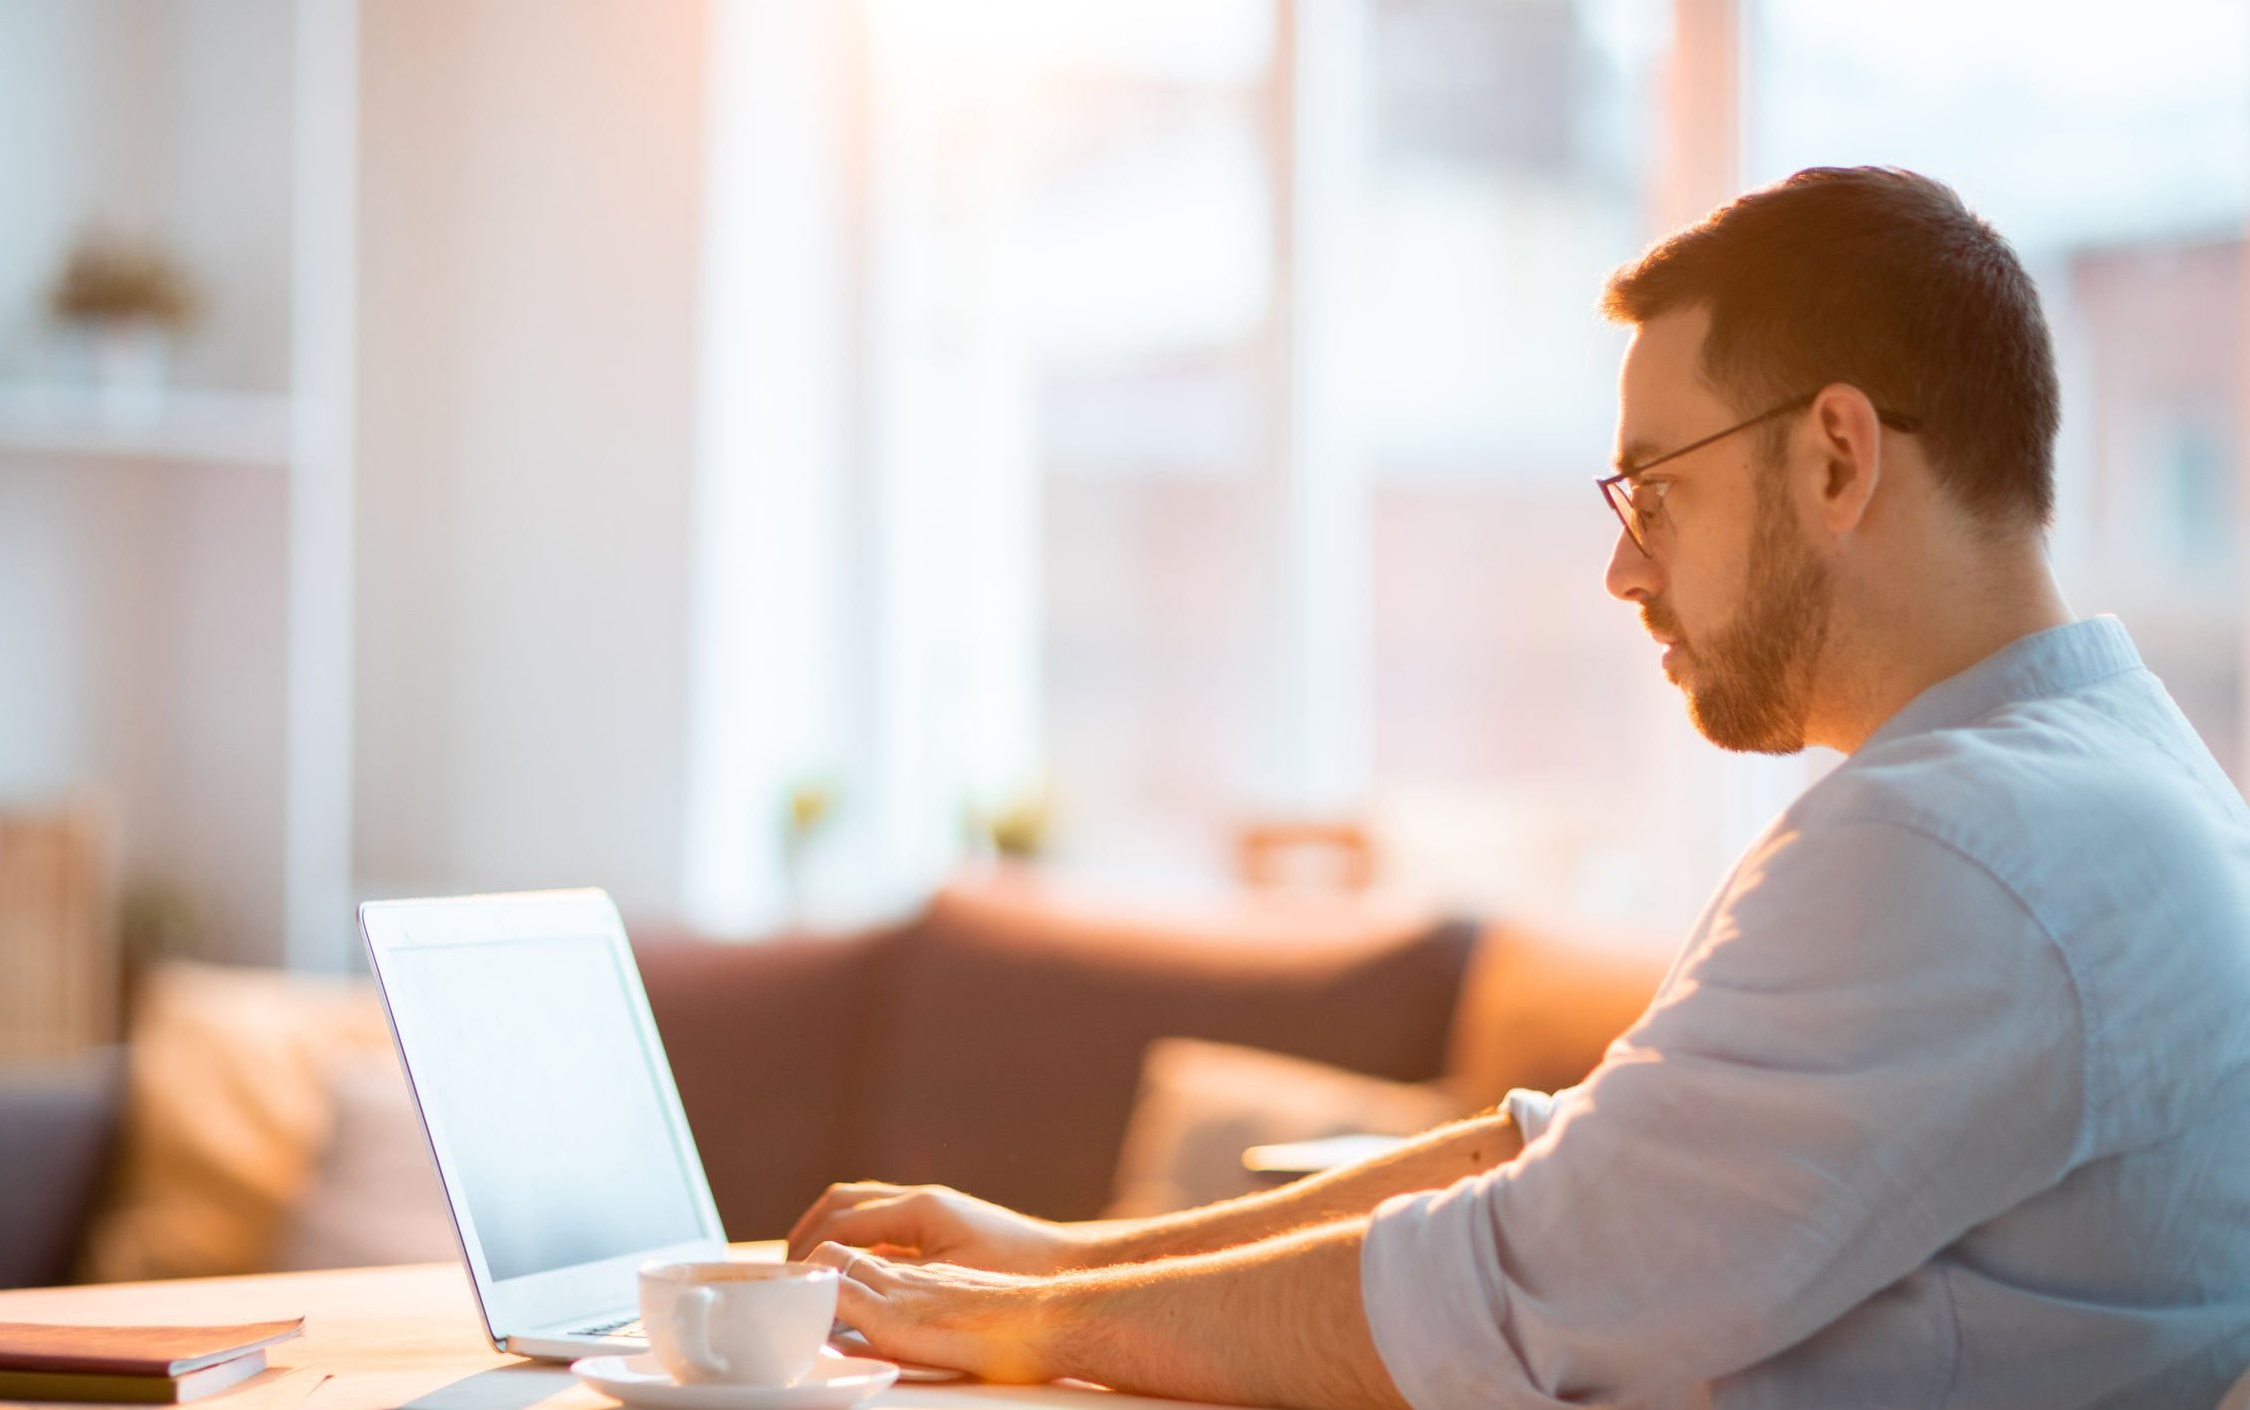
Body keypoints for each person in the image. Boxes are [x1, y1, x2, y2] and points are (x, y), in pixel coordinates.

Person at [784, 167, 2250, 1410]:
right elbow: (1572, 1161)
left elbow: (1506, 1288)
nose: (1623, 567)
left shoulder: (1953, 846)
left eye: (1655, 489)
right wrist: (1052, 1255)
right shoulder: (2119, 782)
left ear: (1837, 456)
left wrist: (1019, 1332)